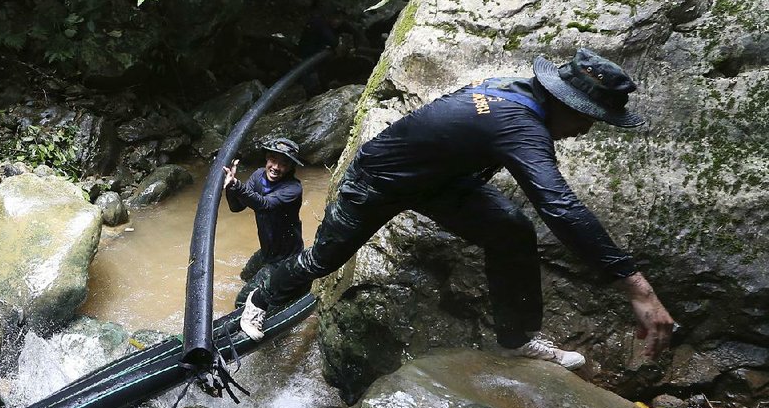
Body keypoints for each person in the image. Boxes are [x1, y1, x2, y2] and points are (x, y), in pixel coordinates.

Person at [239, 48, 675, 370]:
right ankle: (262, 295)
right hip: (375, 181)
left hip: (439, 182)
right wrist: (639, 288)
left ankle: (516, 338)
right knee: (325, 257)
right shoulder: (518, 122)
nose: (583, 130)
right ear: (564, 103)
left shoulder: (517, 92)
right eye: (587, 118)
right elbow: (559, 205)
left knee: (511, 227)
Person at [223, 138, 311, 310]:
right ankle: (272, 292)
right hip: (268, 251)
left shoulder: (292, 189)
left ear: (292, 167)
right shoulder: (258, 176)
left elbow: (265, 205)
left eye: (284, 164)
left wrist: (237, 185)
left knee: (241, 302)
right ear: (267, 159)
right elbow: (236, 207)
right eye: (273, 160)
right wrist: (230, 185)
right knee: (245, 275)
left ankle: (273, 304)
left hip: (285, 258)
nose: (276, 167)